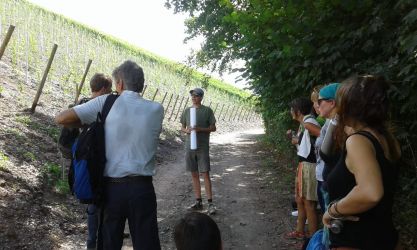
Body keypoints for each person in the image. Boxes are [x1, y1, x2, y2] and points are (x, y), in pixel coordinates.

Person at [55, 60, 163, 250]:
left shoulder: (106, 102)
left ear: (119, 83)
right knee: (148, 245)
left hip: (112, 190)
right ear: (141, 84)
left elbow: (61, 118)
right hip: (143, 189)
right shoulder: (156, 109)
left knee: (109, 244)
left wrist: (95, 124)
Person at [322, 75, 402, 249]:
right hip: (384, 236)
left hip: (357, 241)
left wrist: (332, 210)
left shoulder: (358, 141)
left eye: (339, 101)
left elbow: (370, 193)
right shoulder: (385, 137)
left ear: (348, 107)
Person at [58, 73, 112, 249]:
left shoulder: (82, 103)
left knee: (93, 203)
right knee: (98, 201)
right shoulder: (96, 106)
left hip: (81, 159)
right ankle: (95, 240)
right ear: (104, 89)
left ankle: (92, 240)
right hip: (93, 161)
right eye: (109, 90)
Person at [286, 97, 321, 239]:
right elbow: (302, 143)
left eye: (291, 109)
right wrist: (293, 138)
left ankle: (313, 238)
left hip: (309, 166)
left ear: (298, 111)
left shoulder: (309, 121)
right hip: (303, 165)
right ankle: (300, 231)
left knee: (309, 203)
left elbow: (320, 133)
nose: (290, 112)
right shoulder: (304, 123)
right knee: (300, 200)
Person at [180, 88, 217, 215]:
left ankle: (210, 203)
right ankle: (198, 202)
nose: (193, 97)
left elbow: (213, 128)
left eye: (196, 96)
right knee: (194, 174)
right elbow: (182, 128)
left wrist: (200, 129)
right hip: (189, 147)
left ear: (201, 97)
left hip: (202, 147)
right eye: (192, 95)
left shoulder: (207, 111)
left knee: (205, 173)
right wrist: (188, 131)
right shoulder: (187, 111)